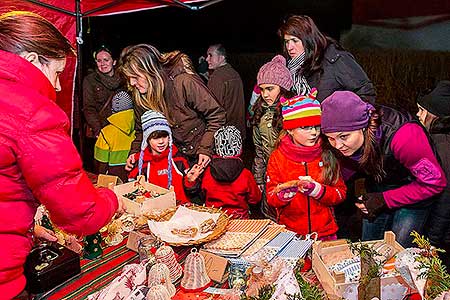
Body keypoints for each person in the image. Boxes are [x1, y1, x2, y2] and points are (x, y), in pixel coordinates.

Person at [0, 11, 121, 298]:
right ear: (30, 60)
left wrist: (26, 228)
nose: (56, 85)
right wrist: (114, 199)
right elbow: (82, 214)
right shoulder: (30, 110)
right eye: (55, 73)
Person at [321, 91, 446, 247]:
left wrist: (385, 200)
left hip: (415, 191)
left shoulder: (405, 137)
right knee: (369, 249)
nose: (337, 145)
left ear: (363, 127)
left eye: (344, 136)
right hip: (380, 185)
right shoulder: (345, 141)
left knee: (397, 251)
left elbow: (434, 183)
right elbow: (347, 170)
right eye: (330, 138)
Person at [119, 44, 226, 169]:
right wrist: (135, 152)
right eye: (129, 78)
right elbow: (141, 129)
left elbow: (217, 115)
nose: (132, 83)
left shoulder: (184, 82)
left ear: (150, 71)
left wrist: (206, 149)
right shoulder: (140, 95)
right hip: (175, 159)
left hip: (202, 154)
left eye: (136, 77)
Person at [266, 90, 346, 239]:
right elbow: (271, 197)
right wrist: (283, 196)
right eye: (305, 127)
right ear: (290, 129)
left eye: (316, 126)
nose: (314, 133)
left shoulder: (327, 154)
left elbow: (340, 193)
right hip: (290, 234)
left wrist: (318, 190)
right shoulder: (277, 158)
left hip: (325, 233)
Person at [278, 15, 376, 103]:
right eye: (287, 42)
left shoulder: (335, 58)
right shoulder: (291, 69)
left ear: (308, 40)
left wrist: (348, 118)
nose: (289, 47)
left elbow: (366, 92)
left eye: (295, 41)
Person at [251, 55, 294, 220]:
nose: (265, 94)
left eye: (270, 89)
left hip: (290, 176)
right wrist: (259, 178)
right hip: (271, 177)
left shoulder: (291, 113)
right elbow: (259, 151)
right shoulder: (259, 113)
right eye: (262, 89)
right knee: (271, 218)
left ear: (283, 88)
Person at [185, 126, 261, 218]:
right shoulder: (245, 174)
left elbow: (201, 194)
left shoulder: (207, 172)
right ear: (240, 149)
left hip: (214, 218)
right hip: (239, 218)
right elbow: (255, 199)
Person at [416, 81, 450, 265]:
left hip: (443, 236)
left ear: (436, 114)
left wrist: (432, 241)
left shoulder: (440, 145)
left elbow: (446, 197)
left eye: (422, 111)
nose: (418, 115)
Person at [128, 110, 190, 204]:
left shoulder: (179, 159)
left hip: (180, 210)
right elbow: (133, 193)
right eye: (156, 138)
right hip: (153, 212)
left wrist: (191, 181)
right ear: (147, 139)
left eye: (164, 136)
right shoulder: (141, 165)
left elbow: (192, 191)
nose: (161, 141)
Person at [83, 45, 124, 138]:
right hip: (102, 130)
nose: (102, 63)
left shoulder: (124, 79)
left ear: (114, 62)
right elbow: (89, 108)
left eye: (106, 60)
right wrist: (98, 130)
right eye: (99, 61)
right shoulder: (90, 80)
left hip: (122, 129)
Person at [206, 44, 246, 138]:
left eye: (210, 55)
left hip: (223, 135)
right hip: (237, 132)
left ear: (222, 57)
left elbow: (212, 109)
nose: (207, 59)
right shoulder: (234, 73)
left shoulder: (217, 77)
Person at [94, 90, 135, 182]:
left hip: (114, 178)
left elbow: (101, 161)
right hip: (135, 174)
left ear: (113, 110)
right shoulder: (139, 129)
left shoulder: (106, 132)